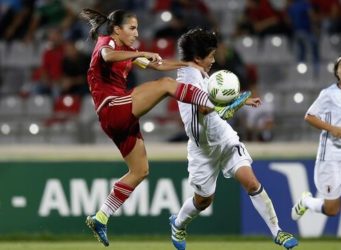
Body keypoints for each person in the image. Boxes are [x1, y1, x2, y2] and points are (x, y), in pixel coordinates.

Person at [79, 8, 248, 247]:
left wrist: (189, 64)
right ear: (117, 29)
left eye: (137, 28)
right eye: (132, 28)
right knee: (167, 85)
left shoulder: (127, 51)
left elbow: (156, 65)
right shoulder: (106, 42)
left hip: (116, 119)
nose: (136, 33)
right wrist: (142, 52)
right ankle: (218, 105)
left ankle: (101, 216)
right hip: (113, 107)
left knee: (140, 171)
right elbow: (107, 56)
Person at [169, 28, 298, 250]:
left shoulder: (200, 73)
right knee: (203, 200)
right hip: (203, 150)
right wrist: (237, 103)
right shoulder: (187, 79)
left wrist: (239, 99)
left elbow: (216, 101)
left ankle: (277, 231)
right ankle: (178, 224)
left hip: (225, 138)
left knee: (252, 182)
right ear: (198, 58)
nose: (214, 60)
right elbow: (205, 108)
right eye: (210, 55)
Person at [291, 56, 341, 221]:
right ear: (336, 71)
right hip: (332, 156)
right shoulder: (329, 94)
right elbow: (309, 116)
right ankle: (306, 201)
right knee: (331, 209)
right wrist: (332, 128)